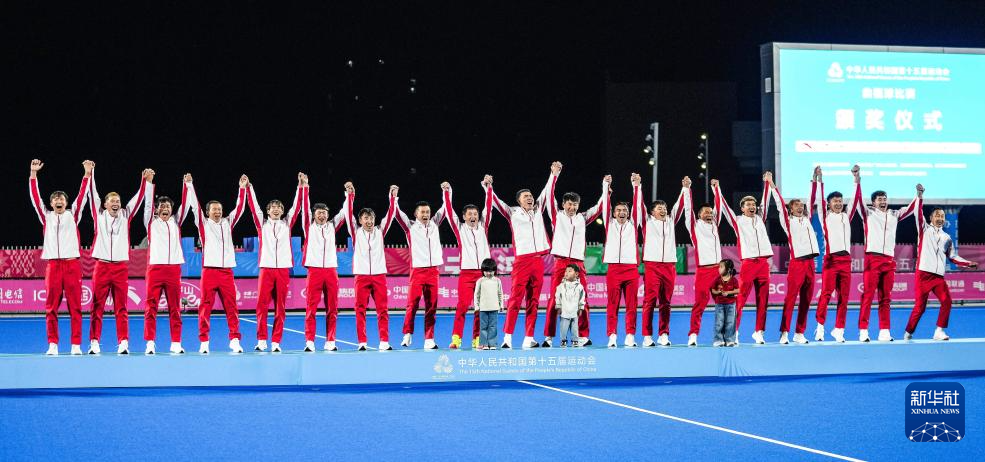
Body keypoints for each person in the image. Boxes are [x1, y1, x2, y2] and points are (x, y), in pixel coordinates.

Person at [486, 162, 559, 349]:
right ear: (519, 201)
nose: (530, 198)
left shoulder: (538, 209)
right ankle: (507, 338)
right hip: (522, 262)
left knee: (534, 301)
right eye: (526, 196)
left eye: (531, 196)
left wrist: (554, 174)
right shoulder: (512, 212)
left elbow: (547, 191)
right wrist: (488, 187)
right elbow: (496, 201)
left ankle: (528, 338)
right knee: (515, 300)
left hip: (538, 262)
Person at [29, 159, 93, 355]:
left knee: (75, 307)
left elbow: (82, 196)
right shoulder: (46, 217)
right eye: (55, 199)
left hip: (72, 265)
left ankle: (76, 345)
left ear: (66, 203)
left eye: (62, 199)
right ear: (51, 204)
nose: (58, 201)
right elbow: (35, 198)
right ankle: (53, 344)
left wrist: (87, 174)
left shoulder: (73, 215)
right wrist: (33, 174)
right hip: (53, 267)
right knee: (51, 308)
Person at [87, 166, 152, 354]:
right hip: (101, 266)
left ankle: (123, 342)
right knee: (97, 306)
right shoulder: (98, 215)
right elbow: (93, 194)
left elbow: (138, 199)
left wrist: (145, 182)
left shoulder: (125, 215)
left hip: (120, 268)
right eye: (112, 201)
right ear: (105, 204)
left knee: (121, 307)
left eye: (118, 201)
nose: (116, 203)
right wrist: (90, 174)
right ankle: (94, 342)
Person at [854, 167, 921, 342]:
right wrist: (857, 180)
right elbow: (858, 200)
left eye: (885, 199)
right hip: (873, 258)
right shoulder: (868, 213)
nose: (883, 201)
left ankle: (884, 330)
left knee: (886, 298)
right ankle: (863, 330)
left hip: (889, 260)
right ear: (873, 202)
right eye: (879, 199)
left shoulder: (894, 214)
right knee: (868, 295)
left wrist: (918, 195)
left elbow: (911, 208)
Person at [185, 173, 249, 354]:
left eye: (220, 209)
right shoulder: (203, 224)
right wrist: (190, 185)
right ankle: (204, 341)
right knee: (205, 307)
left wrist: (242, 188)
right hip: (209, 271)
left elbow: (240, 208)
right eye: (214, 209)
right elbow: (194, 206)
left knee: (232, 307)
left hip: (226, 272)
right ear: (207, 212)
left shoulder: (228, 223)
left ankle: (234, 340)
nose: (218, 212)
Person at [542, 172, 605, 347]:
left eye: (575, 204)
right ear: (563, 204)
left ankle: (582, 336)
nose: (572, 207)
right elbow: (549, 195)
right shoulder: (557, 216)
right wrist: (554, 175)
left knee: (582, 300)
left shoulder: (582, 218)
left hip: (577, 263)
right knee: (555, 300)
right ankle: (549, 337)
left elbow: (600, 207)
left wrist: (605, 187)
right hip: (561, 262)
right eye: (569, 204)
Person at [246, 173, 305, 352]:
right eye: (273, 207)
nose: (276, 209)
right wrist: (248, 188)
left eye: (279, 207)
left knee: (281, 308)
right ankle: (261, 340)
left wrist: (301, 186)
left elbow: (297, 206)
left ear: (283, 211)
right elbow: (253, 207)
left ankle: (276, 342)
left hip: (283, 270)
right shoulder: (261, 224)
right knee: (261, 306)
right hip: (266, 269)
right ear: (268, 211)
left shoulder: (287, 224)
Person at [712, 175, 773, 344]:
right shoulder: (738, 221)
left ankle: (759, 332)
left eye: (754, 204)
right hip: (748, 263)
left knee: (763, 301)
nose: (752, 206)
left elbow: (766, 200)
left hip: (763, 264)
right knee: (740, 299)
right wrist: (716, 189)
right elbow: (725, 208)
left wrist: (767, 182)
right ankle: (733, 332)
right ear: (742, 208)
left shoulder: (760, 218)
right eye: (748, 204)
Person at [904, 202, 977, 340]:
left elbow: (953, 256)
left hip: (938, 277)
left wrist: (968, 263)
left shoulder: (947, 238)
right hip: (923, 275)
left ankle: (939, 331)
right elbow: (918, 213)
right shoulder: (924, 229)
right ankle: (908, 333)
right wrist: (919, 196)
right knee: (920, 308)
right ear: (931, 218)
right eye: (937, 215)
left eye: (942, 216)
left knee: (947, 301)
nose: (940, 218)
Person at [765, 170, 820, 344]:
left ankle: (799, 333)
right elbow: (780, 204)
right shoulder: (788, 221)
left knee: (806, 300)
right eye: (796, 205)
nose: (800, 207)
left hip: (811, 263)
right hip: (797, 263)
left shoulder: (808, 218)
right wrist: (772, 185)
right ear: (790, 209)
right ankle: (784, 332)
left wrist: (815, 180)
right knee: (790, 299)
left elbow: (812, 199)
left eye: (801, 205)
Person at [343, 182, 399, 351]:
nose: (369, 221)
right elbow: (348, 214)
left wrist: (393, 197)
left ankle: (384, 341)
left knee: (383, 310)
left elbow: (390, 215)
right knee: (360, 310)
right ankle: (362, 342)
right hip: (361, 276)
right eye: (366, 218)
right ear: (360, 220)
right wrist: (350, 195)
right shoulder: (355, 232)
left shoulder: (380, 232)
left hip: (379, 275)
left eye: (371, 218)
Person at [143, 173, 194, 355]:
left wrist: (187, 185)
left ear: (172, 209)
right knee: (151, 308)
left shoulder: (176, 222)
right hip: (155, 269)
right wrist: (148, 184)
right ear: (156, 210)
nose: (165, 208)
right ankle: (150, 343)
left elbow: (186, 204)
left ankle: (176, 343)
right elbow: (147, 204)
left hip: (173, 270)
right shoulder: (150, 222)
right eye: (162, 206)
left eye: (168, 206)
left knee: (175, 308)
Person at [441, 179, 494, 349]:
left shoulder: (484, 227)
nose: (473, 217)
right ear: (464, 217)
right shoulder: (460, 229)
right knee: (462, 306)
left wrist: (488, 187)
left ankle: (477, 339)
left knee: (481, 308)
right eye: (469, 214)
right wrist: (447, 192)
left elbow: (489, 206)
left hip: (484, 274)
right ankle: (456, 339)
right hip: (466, 274)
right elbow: (449, 212)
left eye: (475, 214)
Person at [813, 165, 862, 342]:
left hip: (845, 260)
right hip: (831, 260)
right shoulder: (824, 217)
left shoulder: (847, 216)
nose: (838, 203)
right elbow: (819, 199)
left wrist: (856, 179)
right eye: (835, 201)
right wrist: (819, 179)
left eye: (840, 201)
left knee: (844, 297)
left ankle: (839, 329)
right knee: (826, 294)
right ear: (829, 204)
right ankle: (820, 327)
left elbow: (855, 199)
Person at [299, 180, 350, 352]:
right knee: (311, 308)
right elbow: (304, 207)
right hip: (314, 271)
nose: (322, 215)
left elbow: (345, 212)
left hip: (331, 271)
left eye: (324, 213)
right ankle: (309, 341)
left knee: (332, 308)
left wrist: (349, 194)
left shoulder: (332, 226)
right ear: (313, 215)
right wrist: (305, 187)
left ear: (328, 215)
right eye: (319, 213)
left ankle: (330, 341)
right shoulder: (308, 226)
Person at [394, 188, 448, 350]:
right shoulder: (410, 227)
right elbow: (397, 214)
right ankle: (407, 333)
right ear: (416, 214)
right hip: (417, 271)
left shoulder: (435, 224)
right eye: (422, 212)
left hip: (433, 271)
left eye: (428, 212)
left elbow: (446, 208)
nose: (426, 214)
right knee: (412, 304)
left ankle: (429, 339)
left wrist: (446, 191)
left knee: (432, 306)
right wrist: (393, 197)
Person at [638, 177, 688, 346]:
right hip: (652, 265)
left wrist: (685, 189)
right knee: (650, 301)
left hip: (669, 266)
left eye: (665, 208)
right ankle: (647, 336)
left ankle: (663, 334)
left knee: (666, 302)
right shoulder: (646, 222)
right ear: (652, 212)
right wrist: (637, 186)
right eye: (659, 208)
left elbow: (679, 206)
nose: (663, 210)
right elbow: (639, 205)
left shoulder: (671, 221)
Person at [600, 173, 644, 348]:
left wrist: (636, 186)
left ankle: (630, 335)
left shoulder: (633, 225)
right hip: (614, 270)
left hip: (631, 269)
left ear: (628, 213)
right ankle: (612, 336)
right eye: (618, 210)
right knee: (612, 304)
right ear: (613, 213)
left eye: (624, 210)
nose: (622, 212)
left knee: (632, 305)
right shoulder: (609, 224)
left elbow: (638, 206)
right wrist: (605, 186)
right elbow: (605, 205)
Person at [681, 179, 723, 346]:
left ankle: (721, 336)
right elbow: (688, 209)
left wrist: (716, 188)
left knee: (723, 305)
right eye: (706, 212)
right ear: (699, 215)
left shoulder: (715, 225)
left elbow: (719, 206)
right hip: (703, 272)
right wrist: (687, 189)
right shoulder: (694, 226)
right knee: (699, 304)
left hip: (719, 271)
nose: (709, 214)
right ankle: (693, 335)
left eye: (711, 212)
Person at [473, 258, 504, 350]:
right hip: (483, 308)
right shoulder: (480, 281)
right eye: (486, 271)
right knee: (483, 327)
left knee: (493, 326)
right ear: (483, 271)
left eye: (491, 271)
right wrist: (476, 306)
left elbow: (500, 293)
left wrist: (501, 305)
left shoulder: (497, 281)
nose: (489, 273)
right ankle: (484, 344)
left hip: (494, 308)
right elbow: (476, 294)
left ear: (495, 271)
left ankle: (492, 344)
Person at [554, 264, 587, 348]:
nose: (566, 273)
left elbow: (582, 298)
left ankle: (575, 341)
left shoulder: (580, 287)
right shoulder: (561, 286)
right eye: (566, 271)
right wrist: (558, 306)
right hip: (564, 312)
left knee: (574, 328)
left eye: (569, 271)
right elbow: (557, 296)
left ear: (576, 274)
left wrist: (581, 308)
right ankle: (563, 341)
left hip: (575, 312)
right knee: (563, 328)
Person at [710, 259, 739, 347]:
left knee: (730, 322)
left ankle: (730, 340)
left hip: (731, 304)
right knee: (719, 322)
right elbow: (713, 290)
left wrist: (728, 293)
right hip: (719, 304)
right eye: (719, 267)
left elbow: (737, 290)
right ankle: (718, 340)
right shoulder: (717, 279)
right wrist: (718, 292)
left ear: (728, 269)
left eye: (721, 267)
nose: (719, 269)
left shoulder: (734, 280)